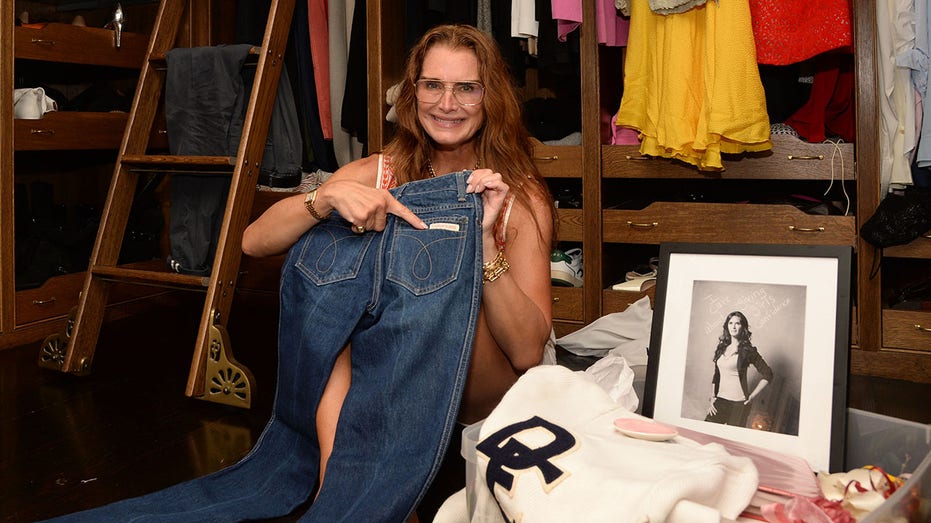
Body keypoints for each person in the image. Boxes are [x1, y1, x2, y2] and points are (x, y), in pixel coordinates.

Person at [242, 23, 556, 519]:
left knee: (445, 296)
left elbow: (527, 352)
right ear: (412, 94)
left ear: (489, 97)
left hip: (484, 384)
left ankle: (354, 495)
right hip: (392, 375)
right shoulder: (381, 170)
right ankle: (342, 487)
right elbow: (253, 241)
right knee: (331, 310)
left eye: (466, 88)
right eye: (433, 85)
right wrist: (322, 197)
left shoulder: (518, 194)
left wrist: (481, 244)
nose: (446, 104)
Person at [704, 311, 773, 427]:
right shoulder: (721, 348)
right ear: (727, 326)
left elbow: (768, 373)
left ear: (743, 327)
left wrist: (751, 397)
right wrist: (712, 397)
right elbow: (717, 375)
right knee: (706, 433)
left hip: (739, 405)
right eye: (730, 323)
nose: (733, 326)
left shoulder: (748, 351)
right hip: (720, 401)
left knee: (731, 440)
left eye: (737, 323)